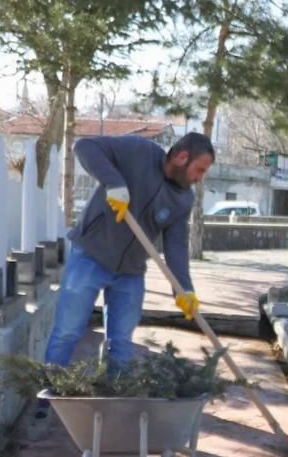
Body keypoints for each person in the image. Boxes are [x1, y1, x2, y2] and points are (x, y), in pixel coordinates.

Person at [43, 132, 214, 373]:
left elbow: (176, 245)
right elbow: (84, 146)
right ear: (182, 157)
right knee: (67, 331)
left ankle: (114, 400)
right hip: (89, 257)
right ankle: (46, 394)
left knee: (121, 343)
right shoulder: (139, 151)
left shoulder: (184, 199)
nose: (200, 178)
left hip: (131, 272)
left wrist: (183, 288)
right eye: (200, 170)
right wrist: (114, 183)